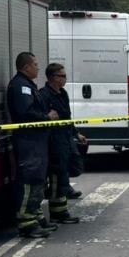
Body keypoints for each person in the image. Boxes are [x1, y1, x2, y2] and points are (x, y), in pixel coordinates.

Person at [7, 52, 58, 238]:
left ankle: (35, 217)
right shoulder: (21, 86)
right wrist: (47, 117)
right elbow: (26, 112)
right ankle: (27, 223)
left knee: (37, 178)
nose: (38, 67)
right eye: (35, 64)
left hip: (36, 140)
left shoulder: (28, 85)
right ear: (26, 67)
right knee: (29, 179)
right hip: (28, 140)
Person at [39, 63, 85, 224]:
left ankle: (62, 210)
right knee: (57, 176)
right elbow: (40, 119)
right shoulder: (44, 95)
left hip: (65, 139)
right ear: (53, 77)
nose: (65, 79)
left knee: (65, 174)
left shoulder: (62, 93)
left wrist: (76, 133)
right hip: (54, 142)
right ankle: (57, 213)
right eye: (62, 76)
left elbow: (67, 117)